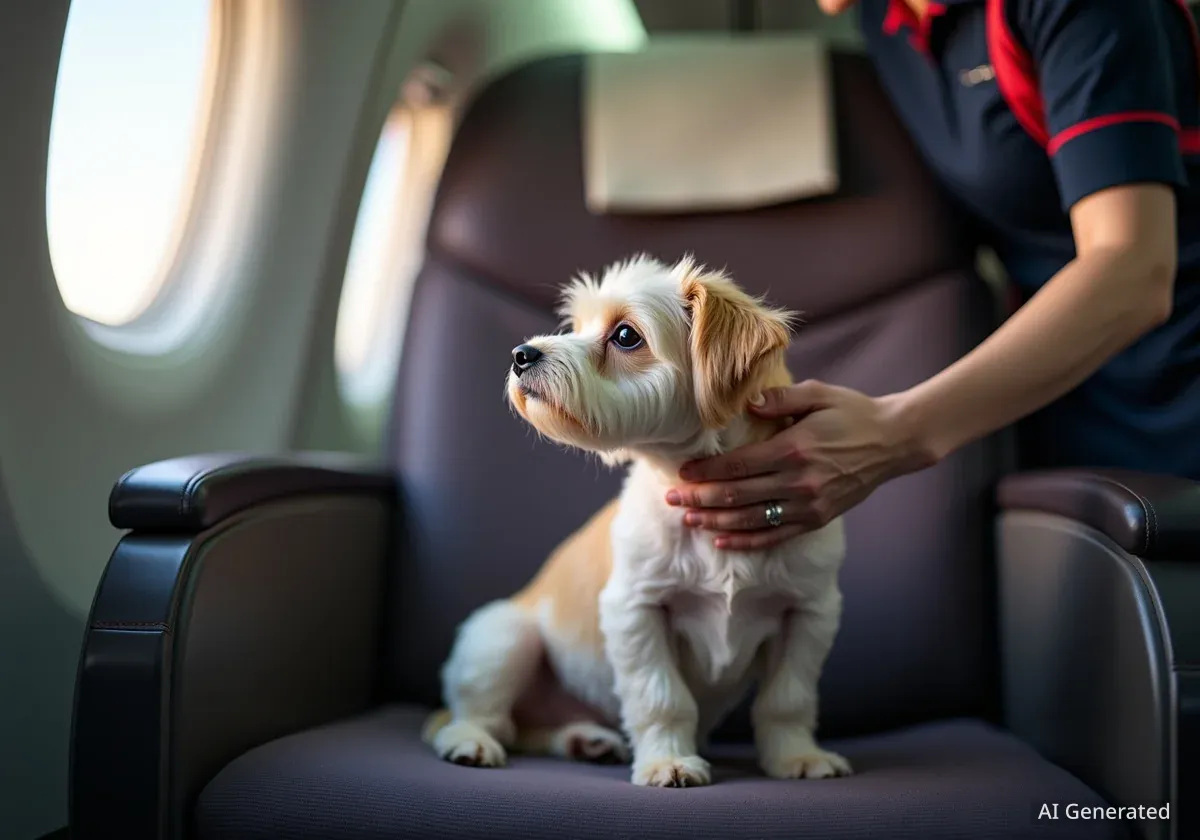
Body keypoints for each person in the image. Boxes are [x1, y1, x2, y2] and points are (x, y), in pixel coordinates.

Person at [666, 0, 1200, 550]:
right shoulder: (884, 21)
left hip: (1181, 407)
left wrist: (896, 433)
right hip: (1061, 412)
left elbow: (1134, 268)